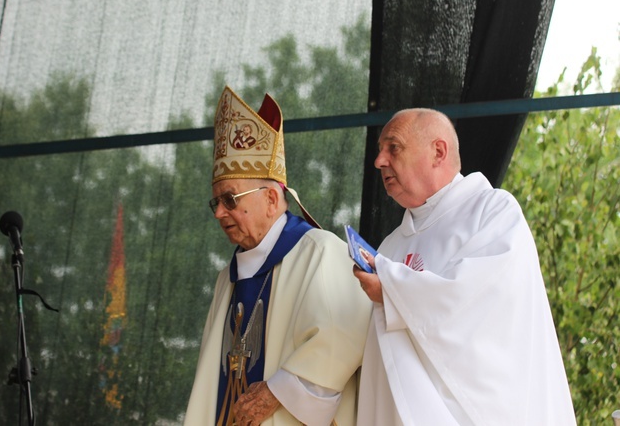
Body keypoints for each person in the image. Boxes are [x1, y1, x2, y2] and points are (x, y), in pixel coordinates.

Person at [353, 108, 576, 425]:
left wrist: (392, 289)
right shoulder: (390, 247)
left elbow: (474, 301)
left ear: (438, 152)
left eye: (393, 147)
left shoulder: (493, 212)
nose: (379, 161)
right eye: (379, 151)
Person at [184, 86, 371, 426]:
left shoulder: (320, 252)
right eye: (216, 203)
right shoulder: (227, 279)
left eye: (230, 200)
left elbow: (346, 335)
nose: (219, 214)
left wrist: (277, 392)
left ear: (271, 199)